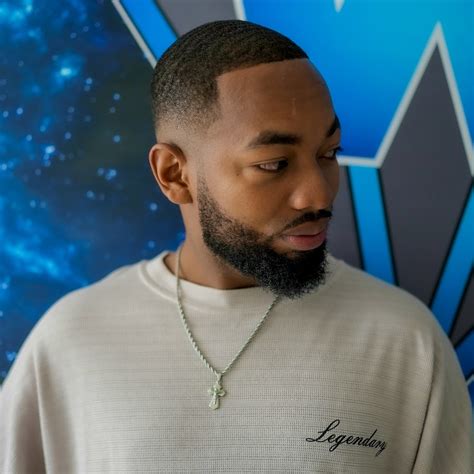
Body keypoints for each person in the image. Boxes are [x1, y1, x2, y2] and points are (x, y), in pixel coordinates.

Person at [0, 19, 472, 473]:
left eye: (328, 154)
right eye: (273, 164)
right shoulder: (72, 340)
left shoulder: (405, 341)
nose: (318, 194)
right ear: (174, 175)